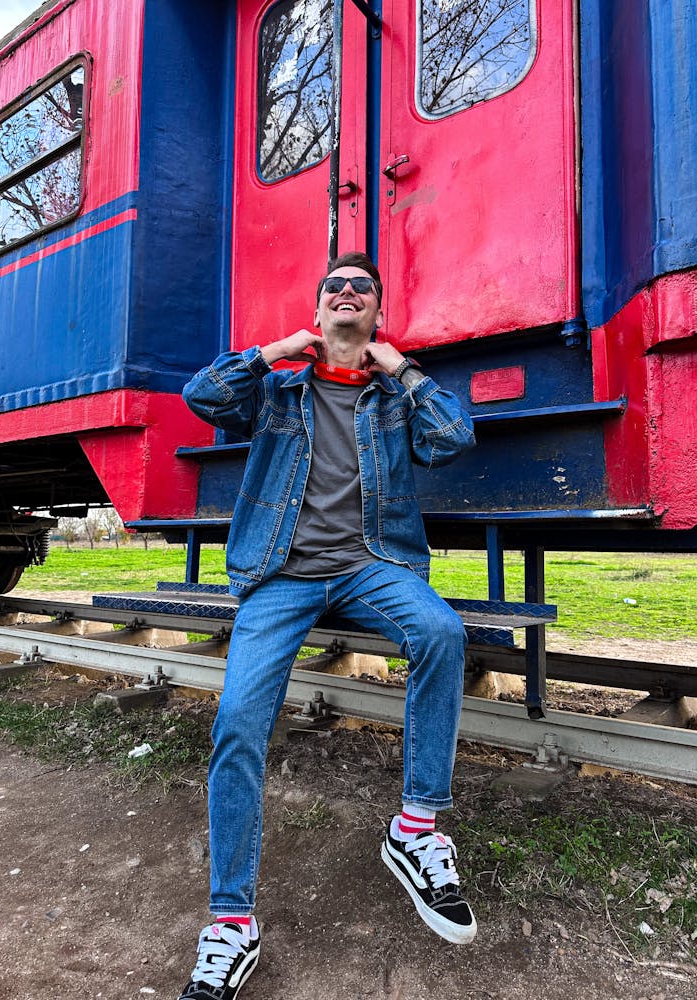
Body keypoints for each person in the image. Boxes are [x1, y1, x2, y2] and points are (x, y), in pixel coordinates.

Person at [178, 252, 477, 1000]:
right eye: (333, 289)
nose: (347, 294)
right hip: (280, 575)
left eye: (361, 289)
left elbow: (455, 440)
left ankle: (413, 830)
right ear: (319, 311)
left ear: (377, 312)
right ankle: (230, 923)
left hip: (372, 565)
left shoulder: (393, 398)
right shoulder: (278, 392)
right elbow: (200, 395)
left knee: (441, 633)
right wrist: (273, 351)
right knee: (240, 720)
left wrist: (403, 369)